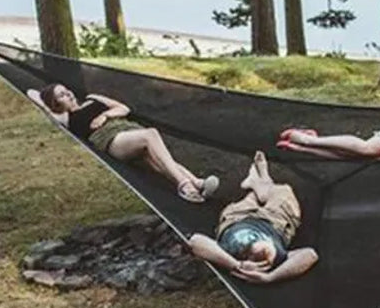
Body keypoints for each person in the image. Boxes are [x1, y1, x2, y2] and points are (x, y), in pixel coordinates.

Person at [27, 83, 219, 203]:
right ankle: (184, 184)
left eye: (66, 90)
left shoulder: (92, 98)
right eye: (61, 95)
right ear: (55, 104)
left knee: (158, 159)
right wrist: (48, 98)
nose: (68, 94)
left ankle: (197, 184)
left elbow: (123, 108)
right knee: (151, 134)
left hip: (128, 129)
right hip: (110, 139)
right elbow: (32, 93)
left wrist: (105, 115)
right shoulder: (66, 118)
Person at [187, 151, 318, 284]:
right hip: (276, 222)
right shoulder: (279, 256)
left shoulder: (232, 250)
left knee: (252, 198)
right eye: (263, 254)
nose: (259, 250)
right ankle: (263, 182)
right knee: (284, 191)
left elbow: (195, 241)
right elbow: (310, 254)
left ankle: (258, 187)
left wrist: (235, 265)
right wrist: (270, 277)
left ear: (247, 257)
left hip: (237, 217)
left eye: (252, 252)